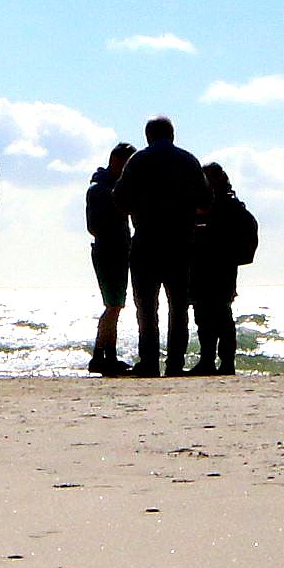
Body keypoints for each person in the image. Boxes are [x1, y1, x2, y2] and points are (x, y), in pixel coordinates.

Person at [116, 119, 207, 376]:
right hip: (180, 242)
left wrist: (142, 207)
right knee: (178, 306)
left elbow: (119, 199)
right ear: (172, 134)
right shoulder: (188, 160)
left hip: (146, 240)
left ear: (148, 136)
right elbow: (205, 200)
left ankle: (149, 362)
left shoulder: (137, 161)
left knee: (146, 306)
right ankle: (175, 364)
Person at [189, 163, 259, 374]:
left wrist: (233, 255)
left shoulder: (230, 206)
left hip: (221, 268)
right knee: (204, 315)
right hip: (203, 266)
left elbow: (248, 231)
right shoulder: (202, 205)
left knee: (220, 314)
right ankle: (208, 361)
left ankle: (225, 362)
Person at [83, 145, 134, 374]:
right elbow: (94, 226)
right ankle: (106, 357)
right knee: (113, 305)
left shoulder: (108, 186)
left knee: (114, 306)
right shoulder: (101, 189)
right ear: (116, 161)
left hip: (116, 249)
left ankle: (101, 356)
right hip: (108, 250)